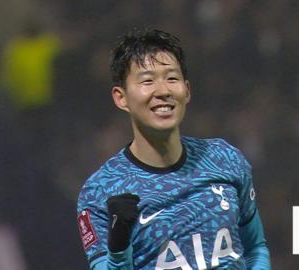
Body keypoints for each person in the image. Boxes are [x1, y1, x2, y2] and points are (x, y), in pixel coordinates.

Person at [77, 29, 271, 270]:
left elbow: (255, 247)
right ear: (121, 97)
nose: (163, 91)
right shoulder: (101, 191)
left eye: (171, 78)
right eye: (148, 81)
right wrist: (118, 252)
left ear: (187, 91)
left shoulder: (224, 159)